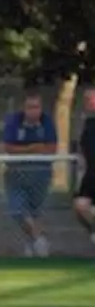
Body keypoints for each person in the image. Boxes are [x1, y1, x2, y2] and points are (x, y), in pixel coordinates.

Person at [1, 91, 58, 257]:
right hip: (15, 173)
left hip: (41, 173)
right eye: (29, 107)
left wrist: (25, 149)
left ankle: (32, 245)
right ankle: (39, 240)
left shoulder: (47, 122)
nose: (33, 111)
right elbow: (8, 148)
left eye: (36, 107)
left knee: (36, 211)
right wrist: (33, 148)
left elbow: (50, 148)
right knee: (17, 210)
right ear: (23, 108)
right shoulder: (14, 122)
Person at [72, 87, 95, 241]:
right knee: (80, 206)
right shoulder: (89, 123)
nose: (88, 102)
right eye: (86, 99)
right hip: (91, 174)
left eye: (91, 99)